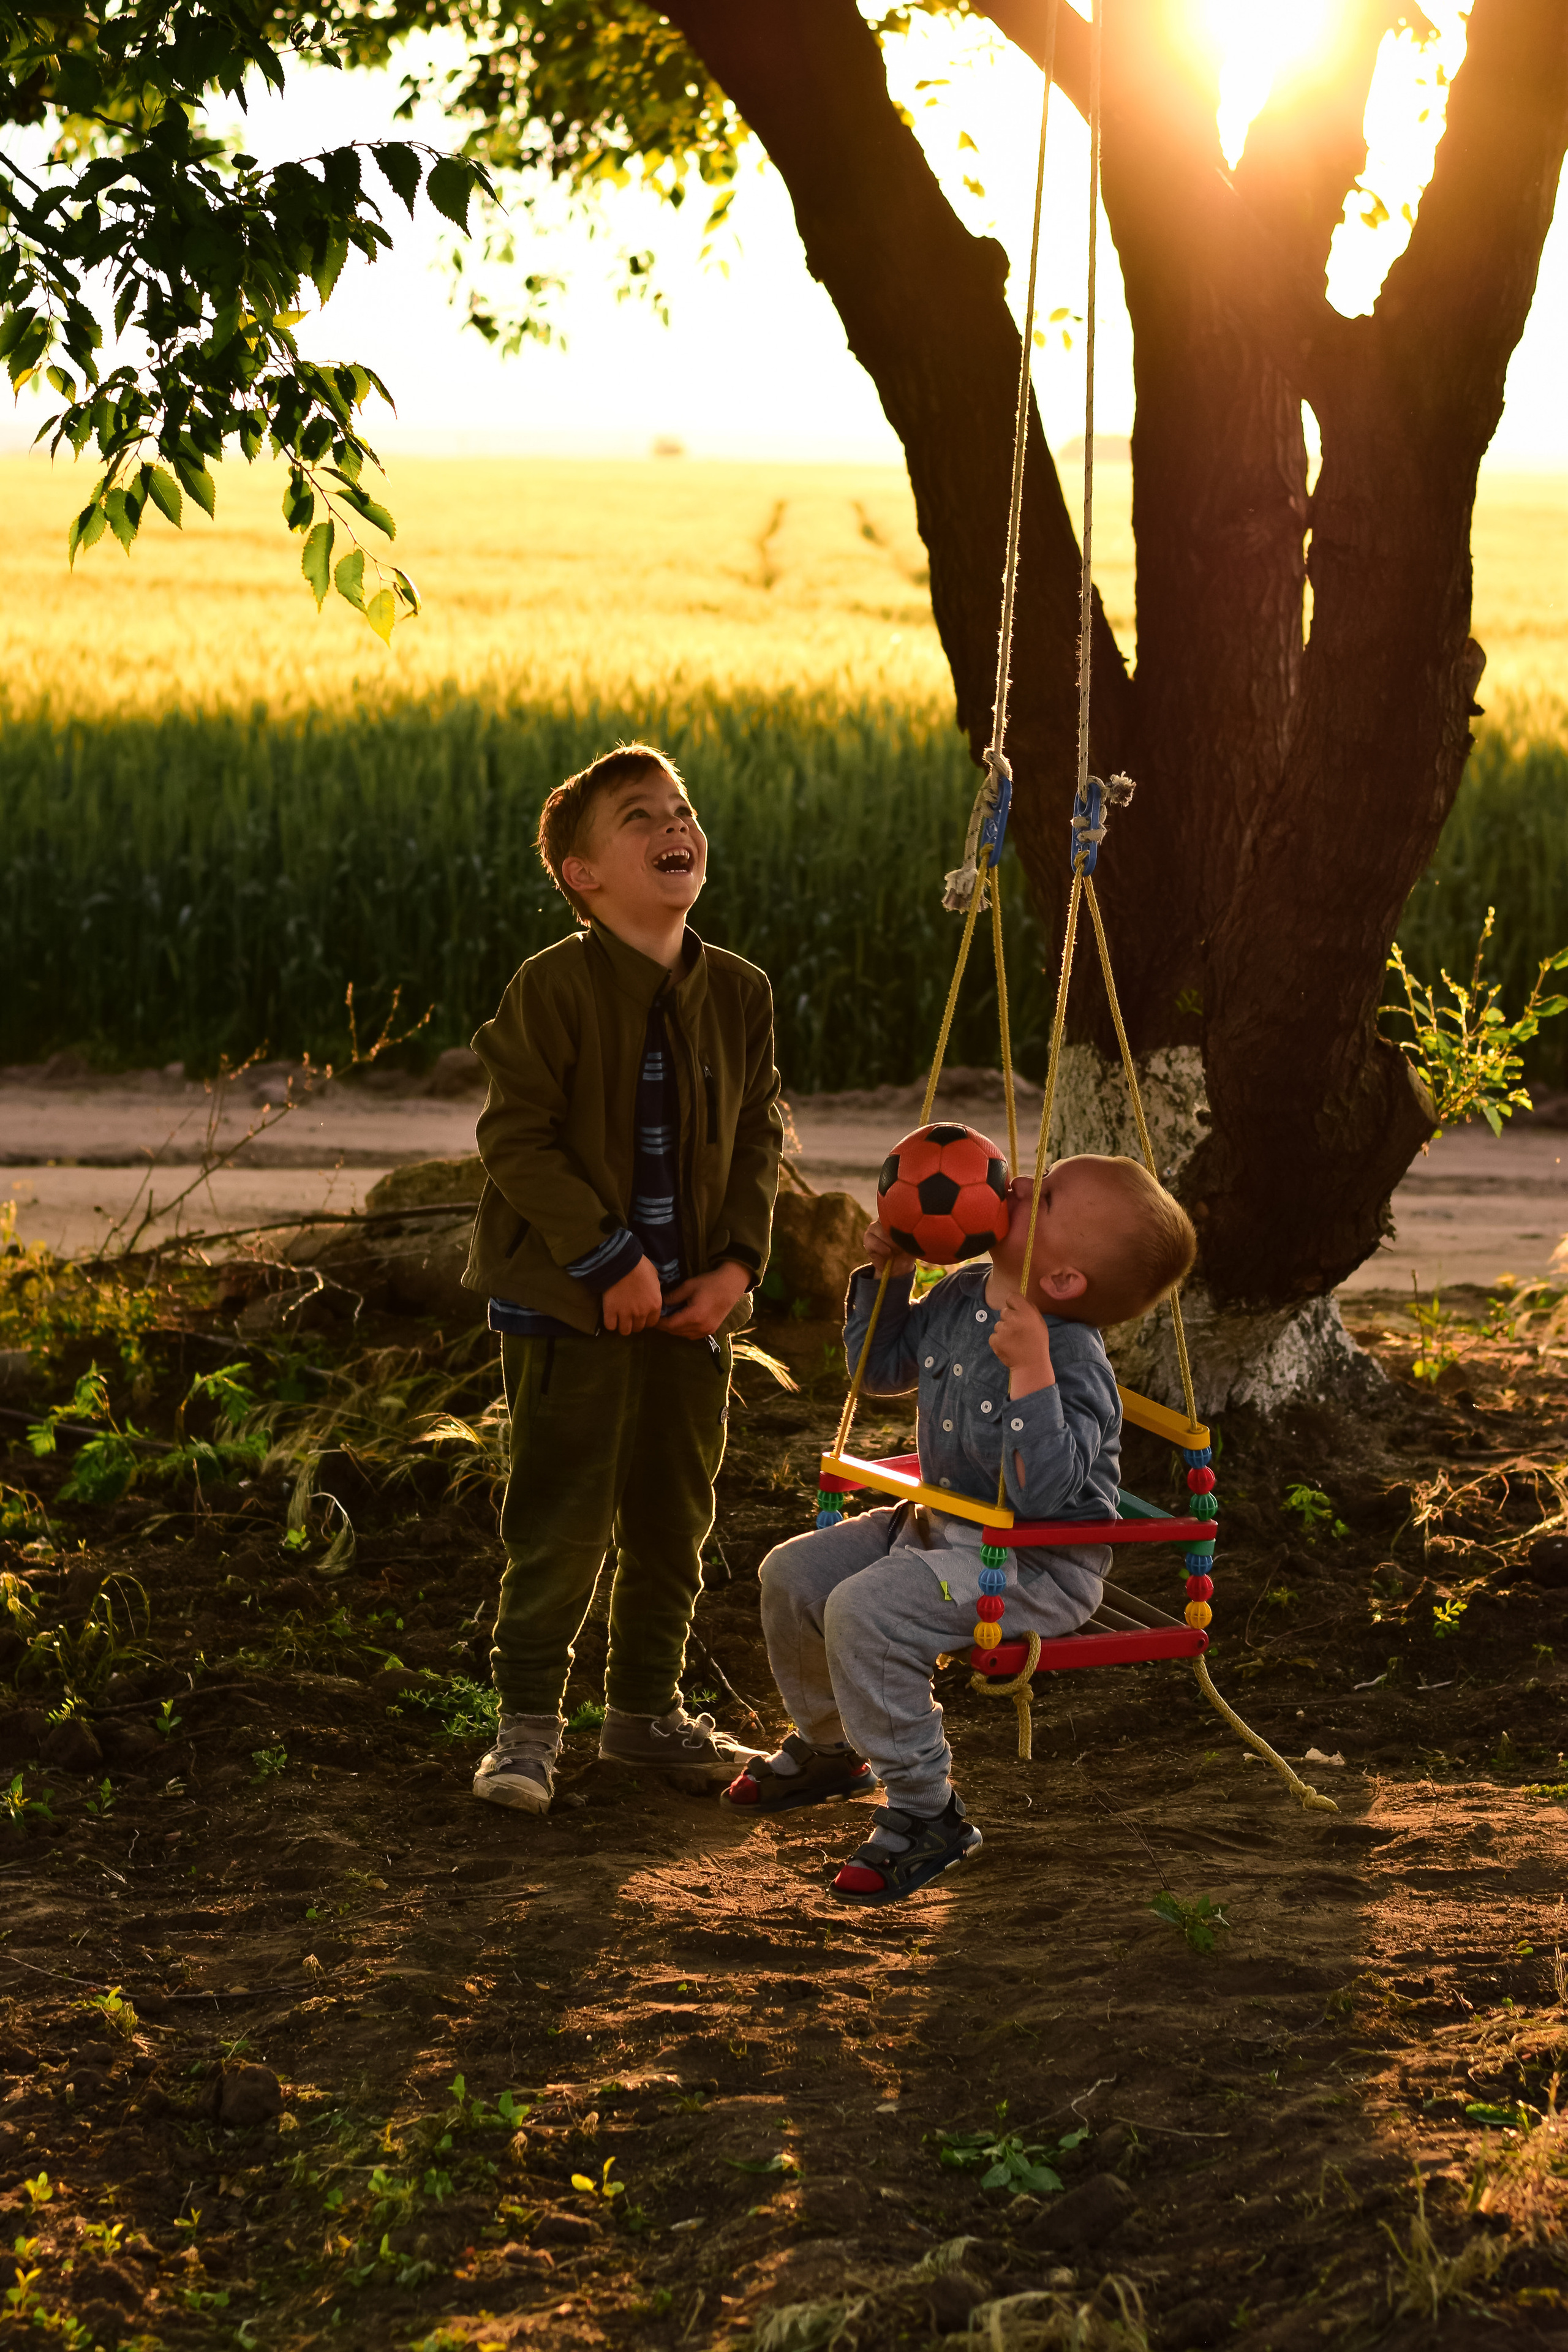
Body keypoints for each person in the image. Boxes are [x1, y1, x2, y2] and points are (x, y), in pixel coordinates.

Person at [723, 1153, 1197, 1904]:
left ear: (1064, 1280)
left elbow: (1048, 1495)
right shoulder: (960, 1292)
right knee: (792, 1573)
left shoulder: (1070, 1357)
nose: (1021, 1181)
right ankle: (830, 1747)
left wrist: (1031, 1374)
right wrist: (889, 1277)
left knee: (864, 1612)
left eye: (1046, 1195)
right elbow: (876, 1372)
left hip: (1031, 1568)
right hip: (934, 1526)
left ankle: (927, 1811)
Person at [464, 742, 783, 1814]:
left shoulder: (739, 992)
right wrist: (609, 1261)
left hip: (694, 1311)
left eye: (680, 809)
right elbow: (517, 1139)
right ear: (583, 876)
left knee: (672, 1513)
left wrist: (736, 1265)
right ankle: (526, 1731)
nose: (671, 827)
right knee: (560, 1516)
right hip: (569, 1308)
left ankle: (645, 1713)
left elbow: (757, 1136)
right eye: (638, 817)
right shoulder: (549, 989)